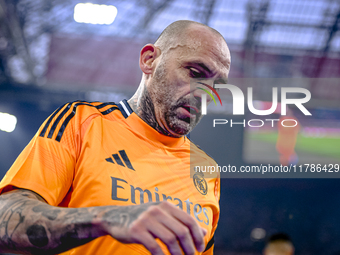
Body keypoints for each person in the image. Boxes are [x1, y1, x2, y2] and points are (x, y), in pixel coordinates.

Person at [0, 20, 231, 255]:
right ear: (149, 60)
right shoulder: (82, 122)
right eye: (195, 73)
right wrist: (104, 219)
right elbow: (4, 218)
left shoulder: (206, 170)